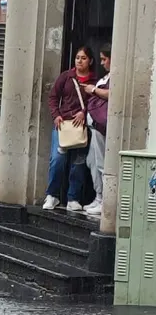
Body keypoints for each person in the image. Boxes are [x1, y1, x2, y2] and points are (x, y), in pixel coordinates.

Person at [43, 46, 98, 211]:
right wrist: (56, 115)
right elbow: (53, 97)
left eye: (83, 58)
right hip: (63, 125)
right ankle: (52, 195)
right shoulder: (66, 77)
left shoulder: (95, 81)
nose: (79, 61)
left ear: (90, 61)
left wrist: (84, 112)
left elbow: (96, 103)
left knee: (79, 162)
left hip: (81, 127)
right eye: (77, 58)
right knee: (57, 160)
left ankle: (73, 197)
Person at [82, 43, 112, 215]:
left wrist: (93, 90)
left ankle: (104, 200)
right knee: (92, 161)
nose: (102, 63)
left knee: (101, 163)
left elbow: (111, 94)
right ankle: (98, 197)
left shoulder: (114, 77)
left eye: (104, 59)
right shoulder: (105, 77)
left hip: (101, 127)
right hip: (94, 127)